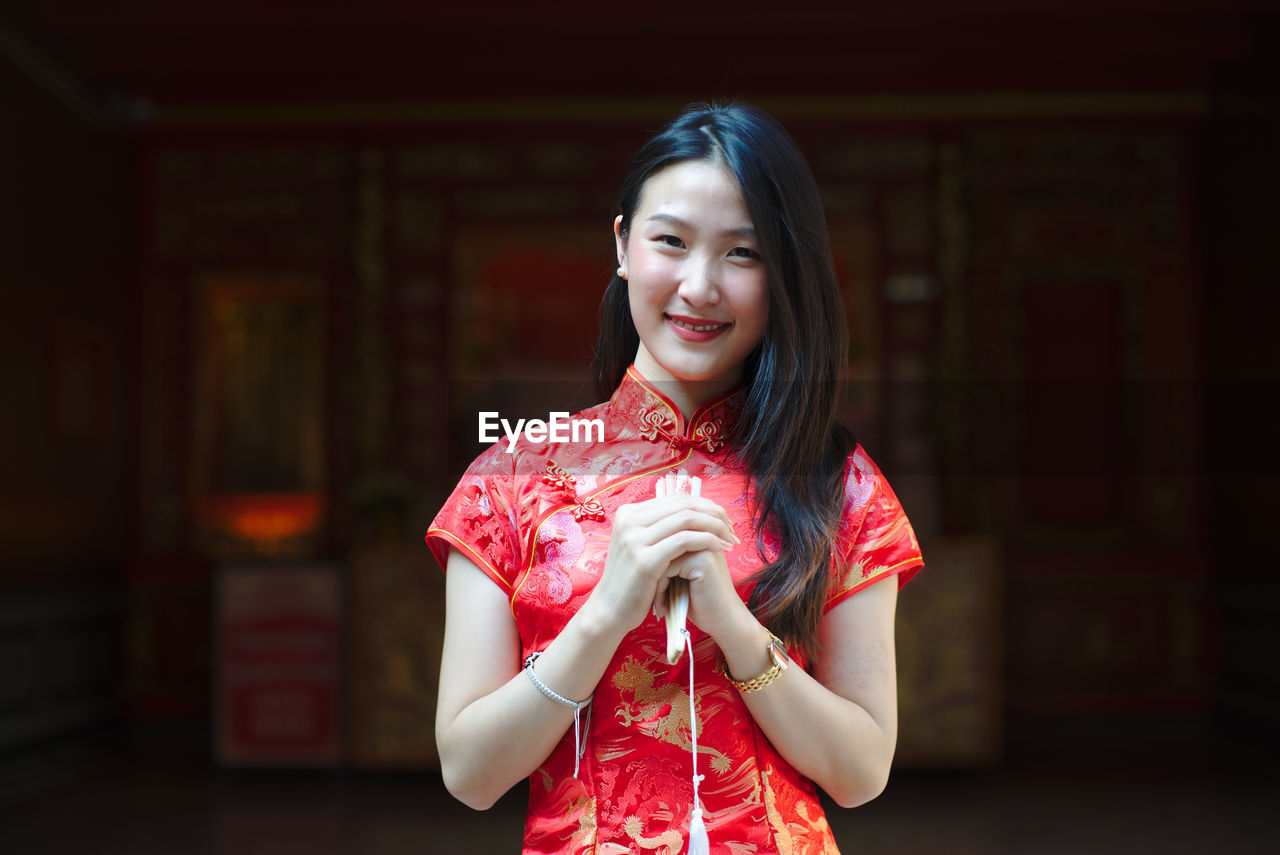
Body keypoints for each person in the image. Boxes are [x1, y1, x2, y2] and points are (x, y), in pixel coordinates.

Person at [426, 102, 923, 854]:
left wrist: (733, 624)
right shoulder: (510, 478)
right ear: (624, 245)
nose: (699, 286)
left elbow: (862, 772)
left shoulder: (835, 481)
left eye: (743, 254)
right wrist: (607, 613)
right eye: (671, 242)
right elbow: (468, 771)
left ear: (783, 272)